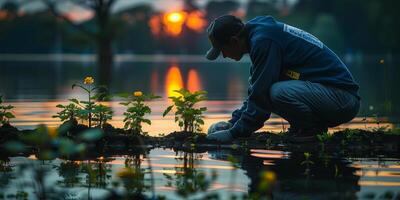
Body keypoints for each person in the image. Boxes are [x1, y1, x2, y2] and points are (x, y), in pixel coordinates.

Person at [205, 15, 360, 142]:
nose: (224, 55)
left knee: (276, 91)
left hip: (342, 99)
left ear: (234, 41)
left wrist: (235, 133)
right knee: (268, 88)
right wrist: (231, 124)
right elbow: (256, 91)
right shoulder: (259, 36)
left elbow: (261, 97)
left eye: (223, 50)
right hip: (327, 96)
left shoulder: (264, 41)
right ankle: (302, 128)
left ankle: (311, 130)